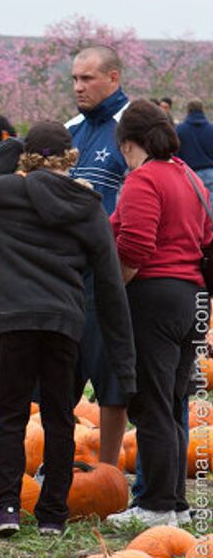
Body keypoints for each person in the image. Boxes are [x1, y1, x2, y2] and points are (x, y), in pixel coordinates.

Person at [0, 123, 135, 538]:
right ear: (71, 158)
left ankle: (6, 509)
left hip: (13, 319)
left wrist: (11, 147)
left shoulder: (0, 194)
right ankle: (53, 514)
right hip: (64, 321)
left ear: (29, 158)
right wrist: (124, 364)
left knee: (10, 414)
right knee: (58, 416)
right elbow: (109, 283)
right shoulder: (88, 204)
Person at [106, 100, 212, 528]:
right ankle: (176, 505)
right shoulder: (190, 177)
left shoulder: (143, 180)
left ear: (130, 143)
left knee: (151, 402)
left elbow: (134, 247)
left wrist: (115, 290)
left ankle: (155, 504)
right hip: (192, 298)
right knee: (172, 401)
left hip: (154, 296)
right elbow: (206, 238)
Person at [66, 45, 130, 466]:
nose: (78, 87)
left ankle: (108, 470)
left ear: (113, 78)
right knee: (61, 370)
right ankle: (59, 459)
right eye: (74, 79)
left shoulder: (133, 127)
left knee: (110, 377)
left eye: (87, 79)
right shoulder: (71, 129)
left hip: (111, 274)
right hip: (66, 273)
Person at [176, 100, 213, 193]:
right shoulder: (211, 129)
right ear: (202, 110)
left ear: (188, 111)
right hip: (210, 172)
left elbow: (176, 153)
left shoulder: (179, 130)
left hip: (188, 173)